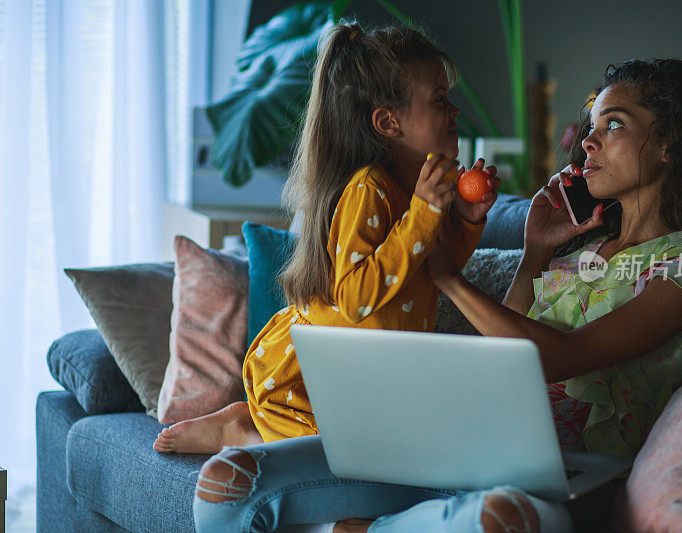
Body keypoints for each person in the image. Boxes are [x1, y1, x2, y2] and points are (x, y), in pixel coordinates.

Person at [191, 57, 682, 533]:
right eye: (590, 124)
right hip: (472, 452)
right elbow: (501, 362)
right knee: (225, 493)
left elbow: (564, 357)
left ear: (669, 145)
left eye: (612, 124)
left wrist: (447, 279)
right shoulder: (579, 257)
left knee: (512, 521)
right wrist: (536, 253)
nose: (587, 142)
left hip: (570, 476)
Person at [152, 23, 498, 455]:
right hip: (319, 376)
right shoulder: (369, 188)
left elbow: (437, 269)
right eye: (440, 99)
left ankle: (247, 425)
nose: (455, 112)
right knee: (339, 453)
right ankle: (238, 429)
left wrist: (465, 220)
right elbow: (355, 297)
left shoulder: (422, 194)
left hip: (375, 378)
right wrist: (424, 215)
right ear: (388, 122)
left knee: (388, 451)